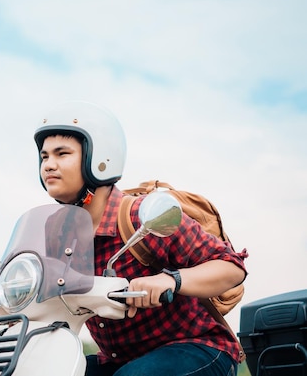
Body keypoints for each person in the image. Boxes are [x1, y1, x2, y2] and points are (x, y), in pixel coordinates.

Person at [33, 101, 248, 376]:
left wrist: (171, 280)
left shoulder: (142, 216)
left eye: (62, 154)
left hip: (198, 347)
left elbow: (231, 266)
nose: (49, 165)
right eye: (44, 157)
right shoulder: (59, 235)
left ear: (100, 158)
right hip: (122, 359)